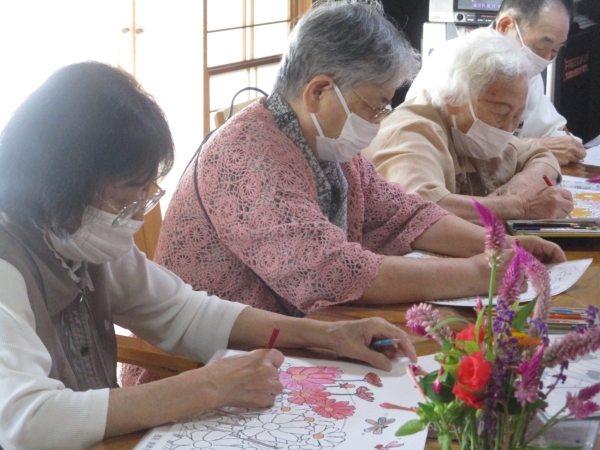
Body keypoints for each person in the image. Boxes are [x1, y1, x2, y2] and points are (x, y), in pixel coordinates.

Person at [0, 61, 421, 450]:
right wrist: (207, 387)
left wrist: (326, 336)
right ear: (60, 184)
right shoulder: (10, 260)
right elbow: (25, 421)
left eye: (144, 196)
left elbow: (184, 312)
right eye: (125, 200)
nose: (136, 217)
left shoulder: (77, 235)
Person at [154, 0, 565, 318]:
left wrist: (499, 244)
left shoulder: (326, 143)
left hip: (298, 336)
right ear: (319, 92)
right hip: (211, 366)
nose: (380, 119)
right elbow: (330, 271)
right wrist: (479, 273)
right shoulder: (247, 157)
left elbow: (405, 213)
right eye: (375, 105)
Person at [363, 27, 574, 225]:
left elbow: (541, 156)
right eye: (501, 112)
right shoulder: (412, 131)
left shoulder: (470, 133)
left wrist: (523, 184)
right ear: (454, 99)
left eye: (517, 117)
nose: (508, 128)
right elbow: (420, 210)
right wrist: (520, 207)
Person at [406, 0, 586, 166]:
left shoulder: (525, 71)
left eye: (555, 51)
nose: (546, 59)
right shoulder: (455, 64)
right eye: (540, 47)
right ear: (506, 26)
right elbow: (434, 147)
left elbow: (556, 135)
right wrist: (532, 147)